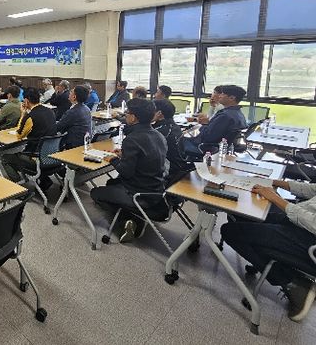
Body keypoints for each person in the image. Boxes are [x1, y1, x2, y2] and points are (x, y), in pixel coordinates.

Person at [221, 181, 316, 322]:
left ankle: (292, 284)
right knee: (241, 214)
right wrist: (274, 182)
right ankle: (281, 271)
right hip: (299, 222)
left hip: (308, 241)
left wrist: (276, 199)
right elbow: (312, 190)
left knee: (230, 232)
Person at [89, 98, 168, 242]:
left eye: (127, 113)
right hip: (156, 189)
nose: (125, 115)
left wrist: (113, 159)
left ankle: (130, 219)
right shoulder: (159, 136)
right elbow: (147, 158)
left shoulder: (132, 139)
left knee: (95, 193)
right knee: (111, 184)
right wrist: (125, 154)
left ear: (133, 117)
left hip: (137, 193)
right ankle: (134, 216)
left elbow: (126, 172)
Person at [1, 88, 57, 187]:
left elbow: (19, 135)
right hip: (52, 155)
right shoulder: (50, 111)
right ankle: (44, 180)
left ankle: (18, 185)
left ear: (26, 101)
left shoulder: (30, 117)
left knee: (5, 157)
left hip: (36, 157)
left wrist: (23, 114)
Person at [183, 84, 247, 157]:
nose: (219, 96)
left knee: (174, 141)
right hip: (218, 147)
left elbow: (207, 137)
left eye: (222, 94)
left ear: (232, 98)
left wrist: (204, 124)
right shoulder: (238, 114)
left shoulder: (225, 116)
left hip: (203, 147)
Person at [152, 99, 188, 180]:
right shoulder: (174, 126)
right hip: (179, 167)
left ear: (159, 113)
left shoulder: (160, 131)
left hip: (170, 170)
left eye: (151, 110)